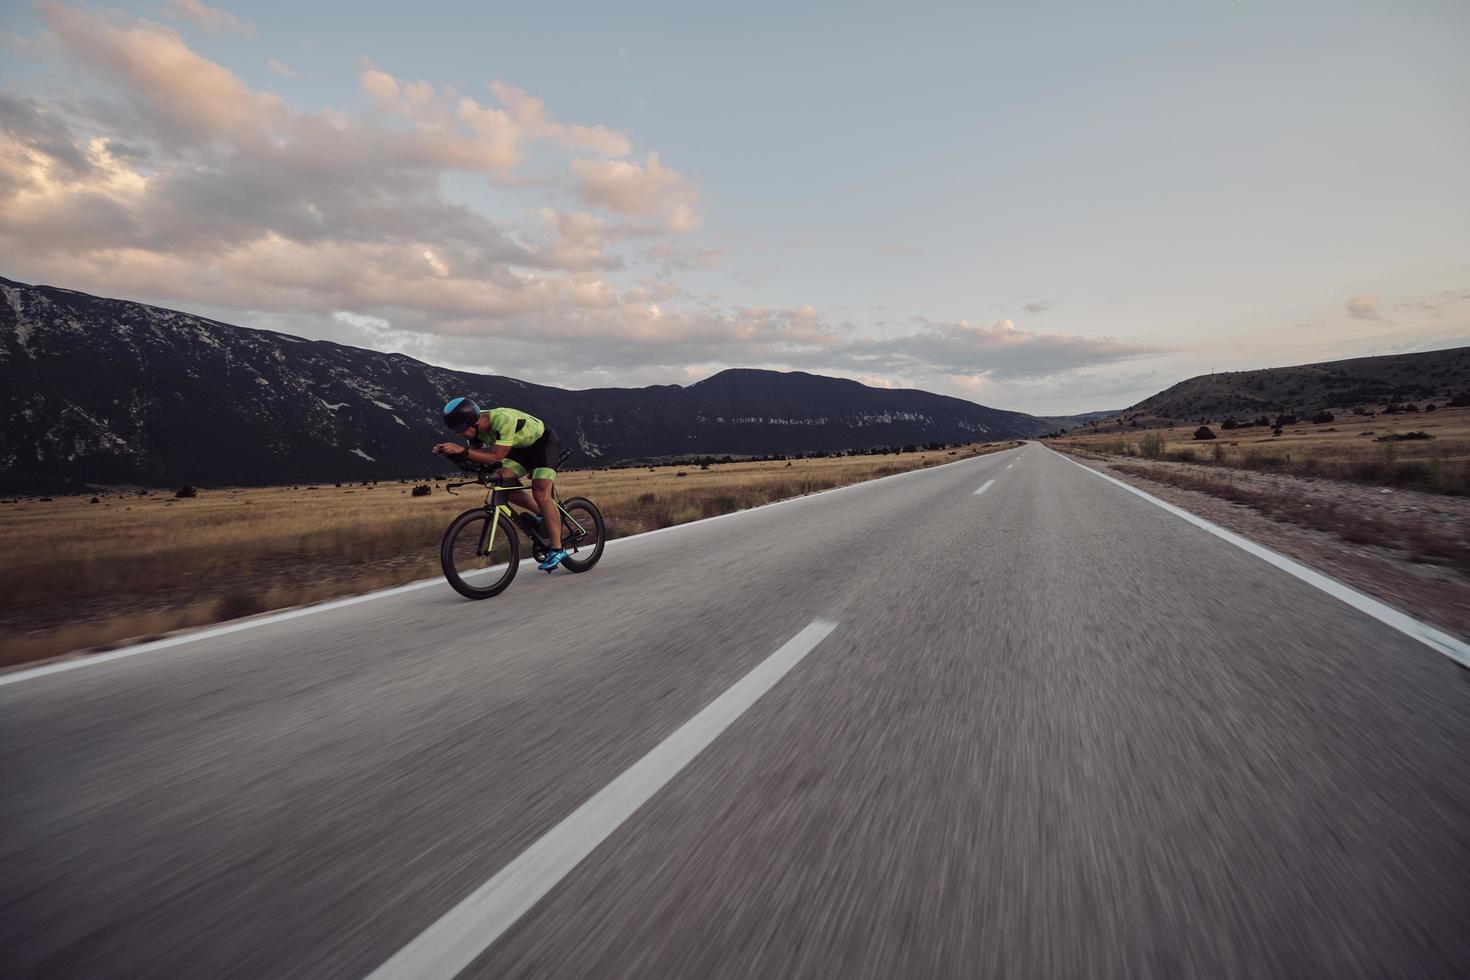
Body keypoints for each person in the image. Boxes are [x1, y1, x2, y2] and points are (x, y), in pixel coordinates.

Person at [433, 397, 568, 571]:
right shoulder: (474, 432)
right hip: (519, 449)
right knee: (502, 481)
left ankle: (557, 549)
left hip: (542, 445)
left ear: (473, 421)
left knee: (540, 492)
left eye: (460, 428)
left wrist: (461, 450)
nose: (459, 434)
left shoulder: (502, 419)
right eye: (454, 430)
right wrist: (451, 453)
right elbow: (474, 458)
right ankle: (543, 514)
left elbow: (495, 457)